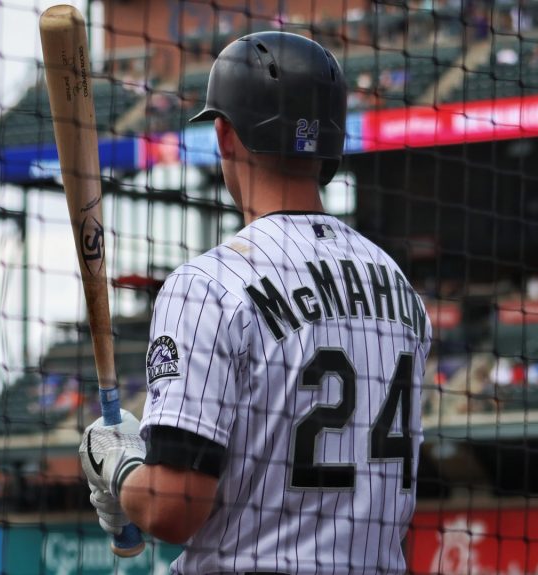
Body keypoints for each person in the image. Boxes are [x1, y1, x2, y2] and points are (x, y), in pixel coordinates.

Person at [79, 31, 432, 574]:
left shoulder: (209, 285)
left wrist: (118, 466)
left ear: (225, 134)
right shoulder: (400, 288)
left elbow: (173, 509)